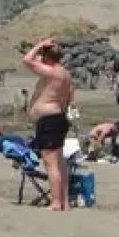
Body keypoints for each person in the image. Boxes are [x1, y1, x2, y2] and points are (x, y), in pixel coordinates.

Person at [22, 38, 74, 211]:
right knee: (59, 162)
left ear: (47, 57)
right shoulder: (64, 73)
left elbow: (27, 60)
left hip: (50, 120)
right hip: (58, 117)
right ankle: (63, 201)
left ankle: (56, 202)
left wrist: (39, 44)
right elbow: (68, 98)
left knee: (51, 163)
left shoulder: (53, 72)